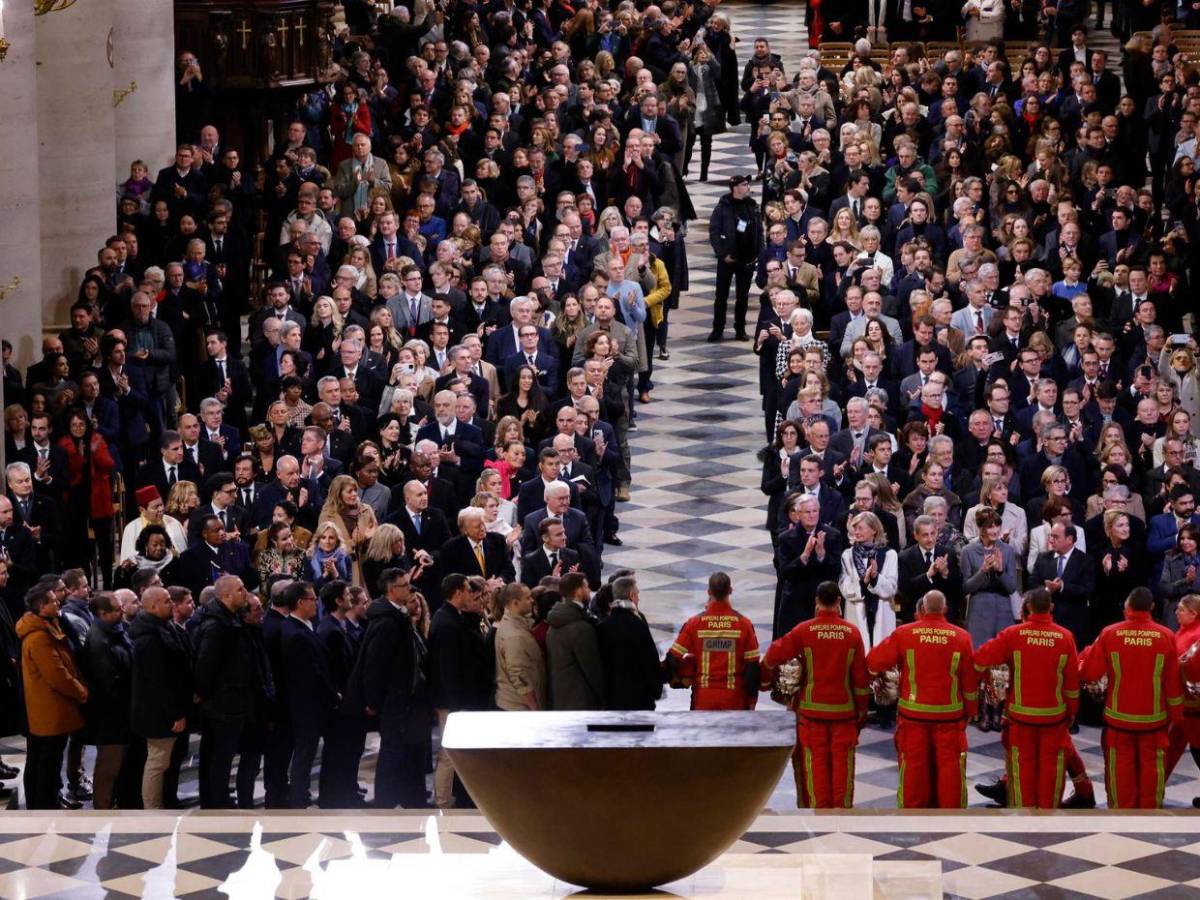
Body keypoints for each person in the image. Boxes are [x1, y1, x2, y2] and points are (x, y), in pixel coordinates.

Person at [760, 581, 870, 809]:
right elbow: (860, 681)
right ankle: (841, 821)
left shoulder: (803, 630)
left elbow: (772, 655)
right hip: (844, 715)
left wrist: (764, 681)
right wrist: (861, 712)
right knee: (842, 770)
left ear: (817, 602)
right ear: (839, 602)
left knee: (814, 768)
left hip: (811, 715)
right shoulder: (852, 634)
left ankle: (817, 821)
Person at [867, 590, 977, 809]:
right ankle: (951, 823)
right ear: (944, 609)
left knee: (913, 773)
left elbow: (873, 662)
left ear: (922, 609)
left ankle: (913, 822)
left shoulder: (904, 633)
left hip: (913, 718)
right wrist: (971, 711)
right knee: (950, 772)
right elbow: (969, 682)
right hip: (950, 719)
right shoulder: (962, 637)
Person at [972, 588, 1080, 808]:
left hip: (1020, 721)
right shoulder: (1065, 637)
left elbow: (980, 658)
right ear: (1051, 607)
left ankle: (1023, 826)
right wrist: (1071, 714)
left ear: (1027, 608)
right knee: (1051, 773)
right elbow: (1072, 685)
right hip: (1054, 719)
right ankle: (1048, 826)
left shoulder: (1013, 634)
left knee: (1022, 776)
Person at [1080, 587, 1184, 808]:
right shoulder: (1166, 636)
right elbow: (1173, 683)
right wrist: (1177, 717)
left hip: (1118, 722)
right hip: (1154, 723)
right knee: (1152, 776)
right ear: (1152, 607)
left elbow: (1089, 673)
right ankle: (1149, 826)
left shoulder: (1110, 633)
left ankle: (1121, 825)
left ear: (1127, 607)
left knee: (1120, 777)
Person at [344, 567, 418, 809]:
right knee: (391, 748)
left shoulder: (395, 615)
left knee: (396, 747)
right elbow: (374, 665)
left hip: (397, 695)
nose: (410, 589)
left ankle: (398, 795)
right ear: (391, 590)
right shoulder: (388, 621)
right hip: (390, 698)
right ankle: (386, 799)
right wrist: (374, 702)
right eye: (405, 585)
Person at [16, 581, 89, 810]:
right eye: (53, 601)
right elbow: (57, 675)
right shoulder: (38, 637)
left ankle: (51, 798)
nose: (59, 602)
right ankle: (44, 804)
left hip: (52, 708)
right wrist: (81, 692)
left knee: (48, 758)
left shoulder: (48, 626)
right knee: (45, 760)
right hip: (49, 709)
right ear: (41, 606)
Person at [427, 573, 491, 808]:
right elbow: (447, 669)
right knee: (448, 755)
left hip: (456, 700)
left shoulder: (452, 617)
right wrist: (456, 707)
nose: (470, 594)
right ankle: (442, 801)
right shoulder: (447, 622)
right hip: (452, 702)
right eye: (466, 590)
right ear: (457, 592)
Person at [192, 575, 254, 808]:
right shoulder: (217, 626)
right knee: (219, 756)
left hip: (227, 700)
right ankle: (216, 802)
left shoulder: (229, 619)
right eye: (240, 589)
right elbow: (205, 665)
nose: (245, 592)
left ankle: (215, 798)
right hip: (222, 703)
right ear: (226, 596)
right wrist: (207, 694)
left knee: (219, 755)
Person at [129, 586, 192, 810]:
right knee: (157, 761)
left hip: (165, 709)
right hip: (158, 713)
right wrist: (176, 714)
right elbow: (159, 682)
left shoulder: (161, 627)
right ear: (153, 606)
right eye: (166, 601)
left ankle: (161, 802)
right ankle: (152, 808)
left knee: (163, 760)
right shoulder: (149, 638)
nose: (171, 604)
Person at [279, 580, 339, 809]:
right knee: (304, 754)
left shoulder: (302, 627)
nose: (316, 603)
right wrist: (332, 694)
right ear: (300, 602)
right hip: (305, 707)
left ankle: (300, 794)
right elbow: (310, 674)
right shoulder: (295, 633)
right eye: (312, 599)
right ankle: (299, 797)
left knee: (307, 752)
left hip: (309, 706)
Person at [666, 572, 760, 710]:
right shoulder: (744, 624)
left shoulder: (694, 623)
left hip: (703, 700)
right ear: (730, 591)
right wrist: (751, 701)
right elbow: (753, 668)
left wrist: (678, 680)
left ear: (709, 592)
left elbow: (673, 659)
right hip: (734, 700)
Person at [79, 591, 134, 809]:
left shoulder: (115, 632)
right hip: (110, 717)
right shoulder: (98, 641)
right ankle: (102, 809)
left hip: (119, 714)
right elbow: (107, 683)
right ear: (103, 613)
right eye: (117, 609)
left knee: (117, 765)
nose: (122, 611)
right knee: (108, 767)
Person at [595, 575, 662, 711]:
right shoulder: (638, 624)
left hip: (611, 700)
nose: (638, 599)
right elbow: (650, 661)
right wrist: (656, 690)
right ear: (631, 595)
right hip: (639, 700)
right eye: (637, 594)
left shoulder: (602, 627)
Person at [546, 571, 604, 710]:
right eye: (586, 587)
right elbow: (592, 670)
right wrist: (603, 698)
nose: (589, 590)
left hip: (562, 699)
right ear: (578, 591)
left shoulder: (555, 622)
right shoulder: (580, 628)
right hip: (581, 702)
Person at [493, 582, 546, 711]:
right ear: (515, 603)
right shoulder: (513, 635)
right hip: (519, 707)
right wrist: (534, 707)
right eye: (527, 598)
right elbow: (519, 675)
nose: (532, 600)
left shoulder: (517, 624)